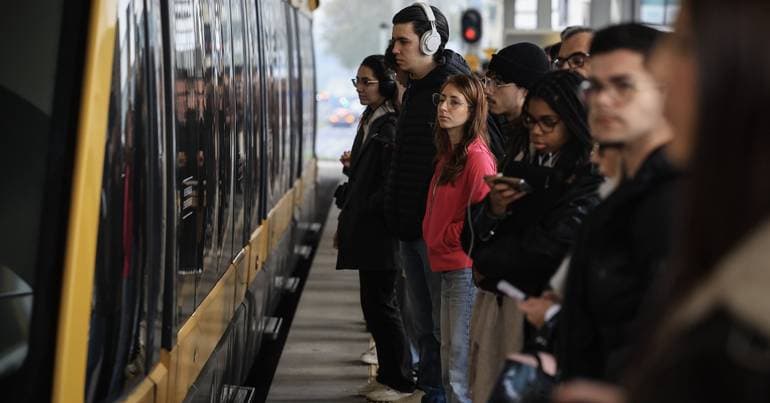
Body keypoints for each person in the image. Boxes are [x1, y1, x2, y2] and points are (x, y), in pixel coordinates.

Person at [556, 1, 770, 402]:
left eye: (686, 45)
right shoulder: (696, 201)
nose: (662, 69)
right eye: (596, 87)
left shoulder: (676, 205)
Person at [466, 70, 601, 402]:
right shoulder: (523, 162)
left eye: (548, 123)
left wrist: (487, 260)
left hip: (538, 315)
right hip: (504, 306)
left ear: (574, 120)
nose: (537, 131)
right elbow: (470, 235)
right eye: (531, 122)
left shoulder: (587, 177)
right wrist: (494, 211)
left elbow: (546, 249)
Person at [556, 23, 678, 383]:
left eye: (623, 86)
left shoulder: (675, 202)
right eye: (594, 86)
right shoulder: (622, 192)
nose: (602, 100)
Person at [384, 3, 471, 402]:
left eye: (403, 40)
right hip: (409, 227)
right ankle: (430, 390)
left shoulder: (452, 90)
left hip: (433, 234)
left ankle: (437, 394)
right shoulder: (417, 89)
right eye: (394, 40)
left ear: (430, 40)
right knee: (422, 324)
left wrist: (441, 227)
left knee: (438, 326)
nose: (395, 48)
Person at [334, 55, 415, 401]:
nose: (361, 89)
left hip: (380, 232)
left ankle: (398, 380)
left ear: (385, 83)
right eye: (358, 82)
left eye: (367, 82)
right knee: (374, 305)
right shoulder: (372, 120)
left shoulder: (390, 124)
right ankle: (388, 374)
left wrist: (362, 208)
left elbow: (388, 183)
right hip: (368, 230)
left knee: (383, 306)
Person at [422, 75, 496, 403]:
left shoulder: (477, 157)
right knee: (449, 351)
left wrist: (446, 238)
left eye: (455, 102)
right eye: (442, 99)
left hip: (463, 267)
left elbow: (478, 217)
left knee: (459, 362)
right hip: (446, 262)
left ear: (473, 109)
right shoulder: (448, 155)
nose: (444, 107)